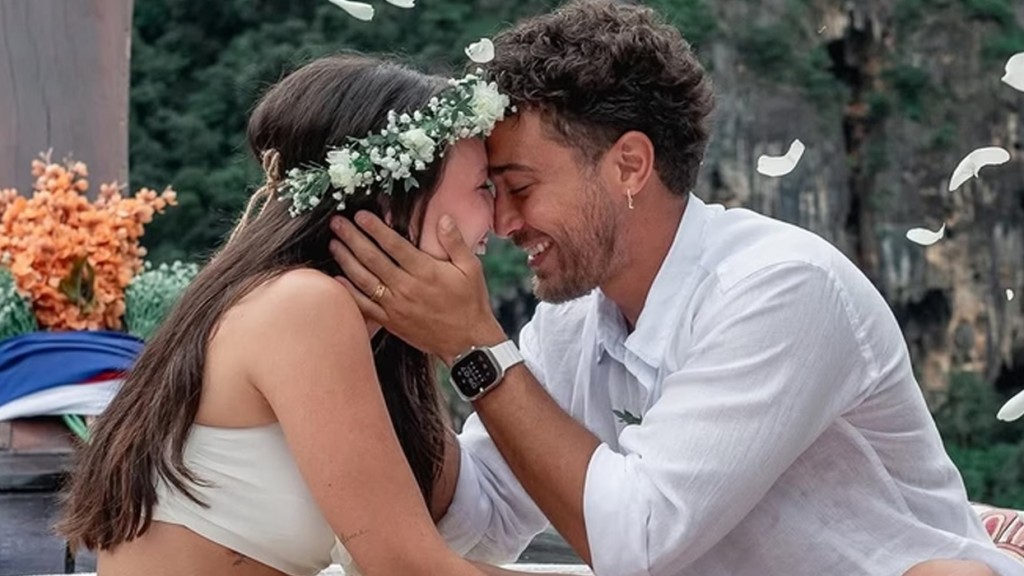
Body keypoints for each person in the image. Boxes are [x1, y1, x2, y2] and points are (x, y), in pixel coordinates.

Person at [327, 2, 1021, 575]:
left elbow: (641, 542)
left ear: (630, 165)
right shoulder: (576, 319)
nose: (505, 223)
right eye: (492, 192)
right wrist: (389, 343)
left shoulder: (780, 288)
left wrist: (471, 345)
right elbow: (481, 516)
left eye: (522, 187)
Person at [56, 54, 548, 576]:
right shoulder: (302, 306)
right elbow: (406, 566)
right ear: (390, 197)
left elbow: (458, 533)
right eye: (482, 188)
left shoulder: (344, 325)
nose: (498, 219)